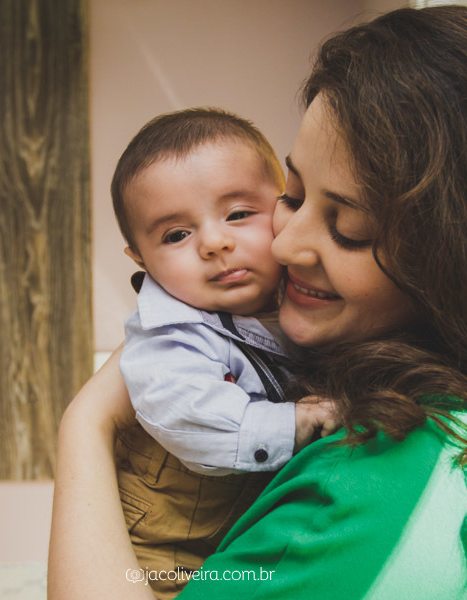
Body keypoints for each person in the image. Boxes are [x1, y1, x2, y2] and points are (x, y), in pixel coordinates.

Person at [48, 6, 467, 599]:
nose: (282, 244)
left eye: (349, 228)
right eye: (292, 196)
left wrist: (86, 421)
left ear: (461, 260)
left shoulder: (360, 496)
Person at [109, 108, 338, 598]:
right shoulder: (169, 336)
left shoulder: (305, 296)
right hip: (168, 544)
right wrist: (294, 423)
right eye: (176, 235)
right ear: (141, 259)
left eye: (238, 214)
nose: (215, 243)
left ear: (284, 208)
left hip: (243, 529)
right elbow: (189, 416)